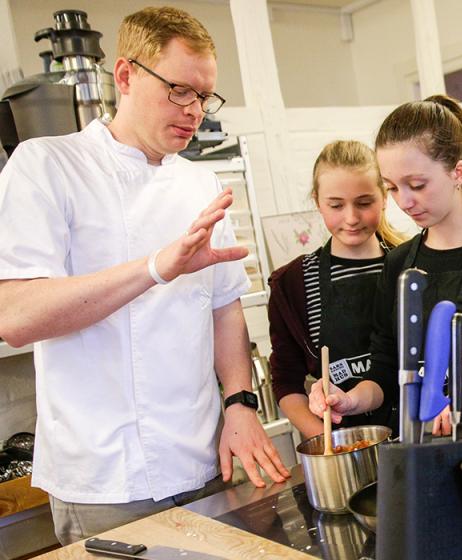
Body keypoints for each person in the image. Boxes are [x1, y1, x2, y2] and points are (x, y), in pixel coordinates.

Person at [0, 7, 289, 544]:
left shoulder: (201, 185)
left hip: (206, 461)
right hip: (106, 479)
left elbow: (224, 308)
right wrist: (157, 267)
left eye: (205, 96)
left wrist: (241, 403)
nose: (195, 111)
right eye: (180, 90)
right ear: (127, 75)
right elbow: (16, 318)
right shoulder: (47, 166)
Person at [309, 95, 462, 443]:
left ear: (458, 172)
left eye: (417, 185)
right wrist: (348, 399)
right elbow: (384, 373)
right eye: (392, 187)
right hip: (421, 452)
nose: (404, 201)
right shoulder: (397, 266)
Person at [268, 140, 405, 437]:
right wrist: (327, 440)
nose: (351, 218)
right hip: (345, 444)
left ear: (385, 197)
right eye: (336, 205)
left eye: (364, 202)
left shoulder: (411, 264)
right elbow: (286, 379)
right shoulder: (293, 284)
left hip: (420, 434)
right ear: (317, 201)